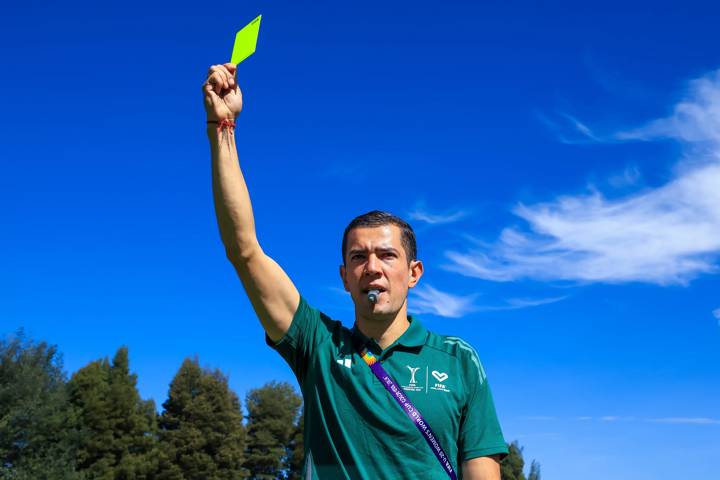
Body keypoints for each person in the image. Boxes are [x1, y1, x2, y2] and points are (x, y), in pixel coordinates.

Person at [203, 62, 509, 480]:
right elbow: (244, 249)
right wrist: (222, 127)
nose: (372, 268)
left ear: (414, 272)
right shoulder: (317, 347)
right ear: (344, 276)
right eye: (358, 258)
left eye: (387, 256)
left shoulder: (458, 361)